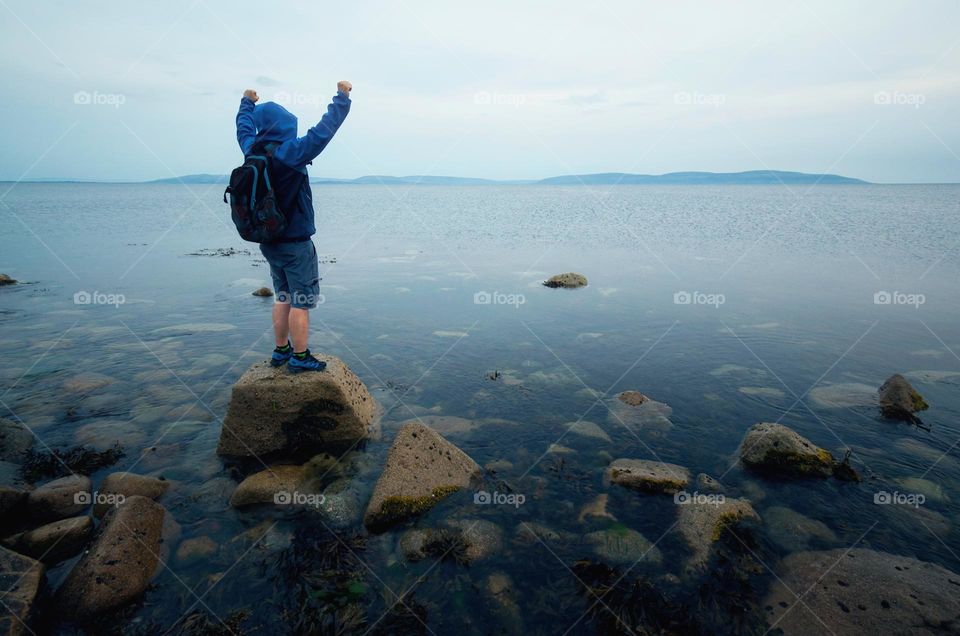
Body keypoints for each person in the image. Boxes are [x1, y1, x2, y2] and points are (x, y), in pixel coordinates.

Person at [235, 81, 352, 372]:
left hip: (268, 239)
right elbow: (323, 132)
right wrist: (342, 98)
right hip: (296, 241)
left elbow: (244, 127)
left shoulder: (252, 150)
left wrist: (246, 103)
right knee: (301, 301)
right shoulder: (292, 152)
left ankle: (280, 350)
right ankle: (300, 357)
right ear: (287, 127)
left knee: (283, 295)